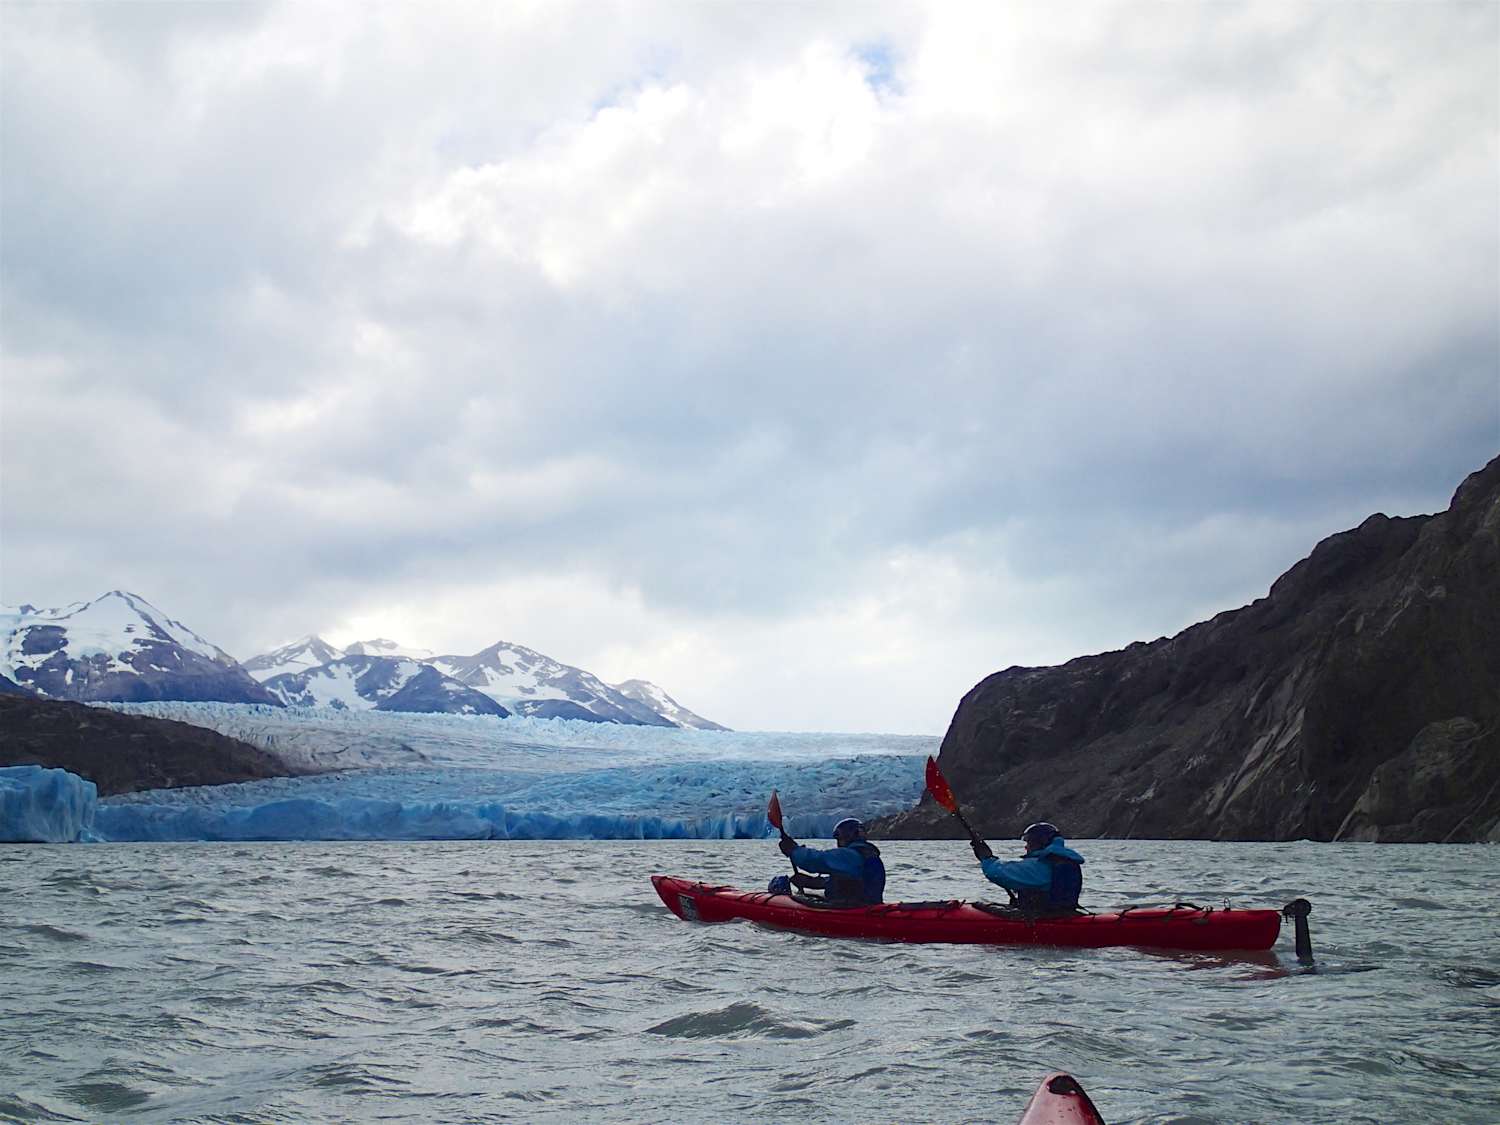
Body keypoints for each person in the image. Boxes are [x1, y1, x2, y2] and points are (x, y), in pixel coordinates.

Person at [970, 822, 1084, 914]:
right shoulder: (1065, 862)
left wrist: (987, 858)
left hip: (1044, 917)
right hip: (1063, 914)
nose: (1026, 847)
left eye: (1029, 842)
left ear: (1039, 842)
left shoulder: (1041, 866)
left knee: (979, 905)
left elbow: (996, 873)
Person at [767, 817, 886, 905]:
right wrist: (811, 882)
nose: (838, 843)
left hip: (852, 909)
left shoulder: (850, 856)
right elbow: (846, 881)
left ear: (848, 836)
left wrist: (794, 851)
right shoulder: (867, 854)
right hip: (864, 906)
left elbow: (818, 860)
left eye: (839, 838)